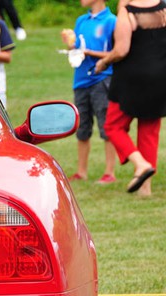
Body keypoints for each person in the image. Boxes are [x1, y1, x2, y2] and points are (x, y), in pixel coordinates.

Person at [95, 0, 166, 196]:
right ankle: (146, 189)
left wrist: (104, 61)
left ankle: (140, 164)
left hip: (131, 79)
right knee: (149, 131)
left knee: (113, 126)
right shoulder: (163, 7)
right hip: (160, 77)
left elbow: (121, 50)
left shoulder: (127, 13)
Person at [61, 0, 117, 183]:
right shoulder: (81, 21)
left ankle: (110, 173)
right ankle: (81, 171)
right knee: (82, 126)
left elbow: (116, 52)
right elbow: (77, 47)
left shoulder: (111, 21)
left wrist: (89, 52)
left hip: (102, 80)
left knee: (106, 126)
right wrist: (70, 45)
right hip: (81, 81)